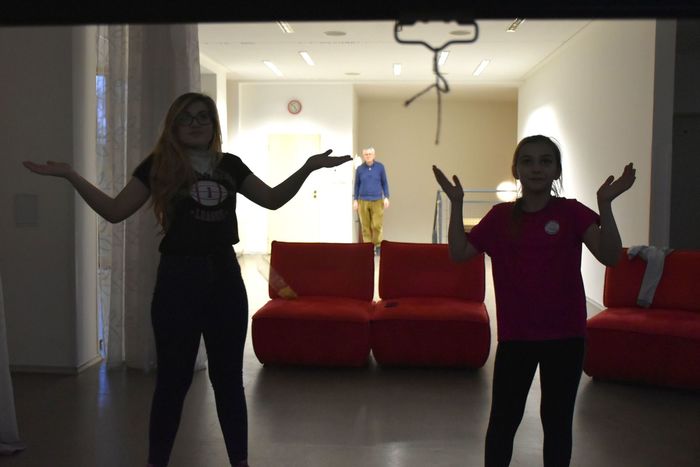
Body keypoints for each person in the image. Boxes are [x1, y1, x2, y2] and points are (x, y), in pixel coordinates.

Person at [22, 92, 351, 467]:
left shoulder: (230, 165)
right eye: (186, 118)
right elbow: (114, 211)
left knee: (228, 381)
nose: (195, 124)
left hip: (224, 278)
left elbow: (273, 199)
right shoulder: (158, 166)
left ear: (213, 125)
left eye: (202, 117)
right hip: (178, 279)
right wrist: (71, 176)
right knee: (173, 381)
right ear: (173, 126)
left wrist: (308, 167)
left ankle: (240, 462)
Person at [433, 135, 636, 467]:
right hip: (517, 337)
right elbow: (459, 252)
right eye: (527, 161)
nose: (536, 168)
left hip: (566, 337)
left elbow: (611, 256)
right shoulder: (500, 217)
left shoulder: (572, 212)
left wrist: (606, 204)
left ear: (556, 170)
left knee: (557, 424)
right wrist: (456, 203)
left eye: (545, 161)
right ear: (516, 169)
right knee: (503, 423)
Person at [353, 146, 390, 255]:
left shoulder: (380, 167)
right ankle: (368, 247)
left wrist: (386, 197)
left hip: (377, 200)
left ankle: (378, 245)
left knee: (377, 225)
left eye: (370, 154)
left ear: (374, 155)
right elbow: (356, 185)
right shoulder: (360, 169)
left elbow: (384, 182)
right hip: (362, 201)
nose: (368, 156)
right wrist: (355, 200)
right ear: (363, 156)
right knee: (365, 226)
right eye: (366, 154)